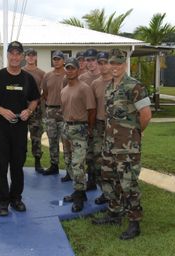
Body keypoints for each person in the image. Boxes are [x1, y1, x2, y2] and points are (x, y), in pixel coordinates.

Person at [91, 49, 152, 240]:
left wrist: (134, 135)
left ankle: (134, 223)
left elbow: (146, 115)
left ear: (124, 65)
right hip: (109, 144)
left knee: (128, 183)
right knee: (108, 178)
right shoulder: (110, 87)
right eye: (112, 63)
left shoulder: (134, 86)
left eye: (119, 63)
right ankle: (114, 213)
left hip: (127, 147)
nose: (115, 67)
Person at [0, 41, 40, 216]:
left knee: (17, 164)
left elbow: (35, 99)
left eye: (18, 54)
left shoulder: (28, 78)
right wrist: (1, 110)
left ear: (22, 57)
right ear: (7, 55)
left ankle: (16, 198)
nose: (15, 57)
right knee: (0, 166)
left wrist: (29, 111)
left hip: (20, 128)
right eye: (12, 53)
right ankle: (3, 203)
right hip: (0, 127)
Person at [60, 57, 96, 212]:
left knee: (78, 164)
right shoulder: (64, 90)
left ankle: (80, 196)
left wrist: (89, 128)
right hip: (67, 128)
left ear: (77, 69)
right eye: (67, 68)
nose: (69, 71)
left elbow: (92, 110)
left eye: (72, 68)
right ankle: (78, 190)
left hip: (80, 129)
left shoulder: (84, 88)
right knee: (68, 160)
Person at [41, 50, 71, 179]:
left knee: (66, 142)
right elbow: (45, 93)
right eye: (54, 59)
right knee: (52, 140)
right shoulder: (47, 75)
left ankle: (69, 170)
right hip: (51, 111)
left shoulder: (69, 74)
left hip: (65, 111)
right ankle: (54, 166)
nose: (56, 61)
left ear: (63, 60)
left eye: (59, 59)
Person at [90, 51, 113, 205]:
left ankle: (117, 194)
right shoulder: (95, 84)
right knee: (98, 160)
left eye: (106, 62)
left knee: (114, 160)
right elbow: (92, 107)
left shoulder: (118, 82)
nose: (103, 66)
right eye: (100, 63)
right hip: (99, 125)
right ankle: (105, 192)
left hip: (115, 126)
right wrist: (90, 127)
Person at [79, 48, 101, 191]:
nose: (91, 63)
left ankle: (106, 185)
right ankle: (91, 180)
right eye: (88, 60)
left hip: (102, 121)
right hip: (86, 121)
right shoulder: (82, 78)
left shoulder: (107, 76)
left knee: (103, 155)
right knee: (89, 153)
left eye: (93, 60)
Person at [22, 48, 45, 173]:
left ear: (36, 57)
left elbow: (43, 92)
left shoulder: (42, 73)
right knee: (20, 137)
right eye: (28, 55)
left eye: (33, 55)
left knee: (36, 137)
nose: (30, 57)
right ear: (25, 57)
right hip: (21, 109)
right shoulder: (20, 72)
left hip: (35, 110)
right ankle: (20, 161)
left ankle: (37, 162)